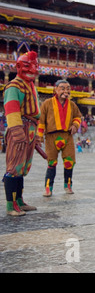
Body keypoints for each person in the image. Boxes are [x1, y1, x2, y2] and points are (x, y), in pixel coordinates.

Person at [2, 51, 40, 216]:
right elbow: (11, 109)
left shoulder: (30, 85)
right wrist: (17, 131)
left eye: (35, 65)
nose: (32, 69)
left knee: (23, 166)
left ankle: (19, 201)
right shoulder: (14, 86)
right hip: (20, 127)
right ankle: (11, 205)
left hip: (30, 128)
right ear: (18, 67)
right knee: (14, 166)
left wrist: (36, 133)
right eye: (27, 65)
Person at [37, 79, 82, 197]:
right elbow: (41, 121)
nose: (66, 91)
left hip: (67, 136)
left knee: (69, 162)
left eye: (68, 89)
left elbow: (78, 117)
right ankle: (48, 187)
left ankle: (68, 185)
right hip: (51, 136)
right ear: (55, 89)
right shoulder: (47, 103)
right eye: (62, 88)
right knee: (51, 162)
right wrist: (39, 136)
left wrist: (75, 125)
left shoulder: (72, 105)